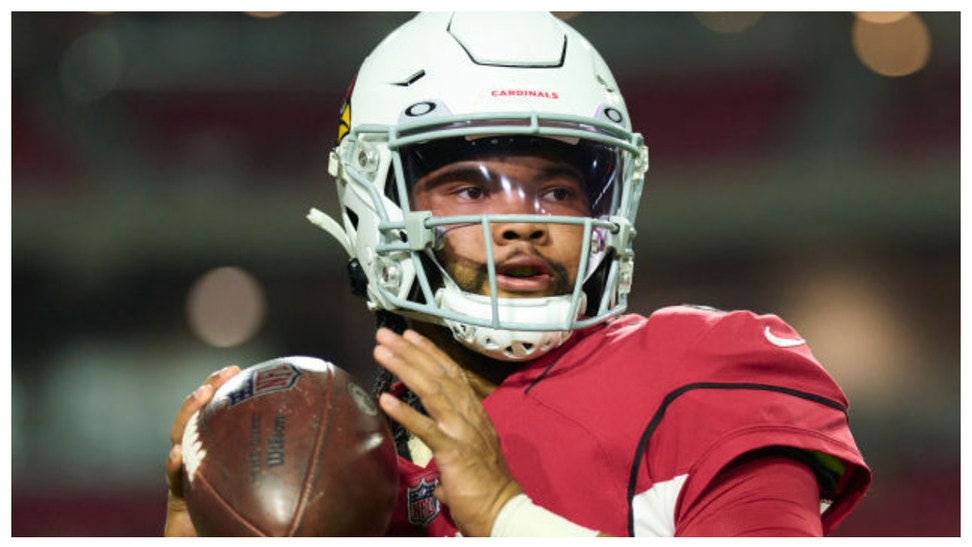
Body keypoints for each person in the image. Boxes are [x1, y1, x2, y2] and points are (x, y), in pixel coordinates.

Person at [164, 12, 871, 537]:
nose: (525, 222)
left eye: (558, 192)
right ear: (376, 204)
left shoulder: (698, 374)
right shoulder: (348, 455)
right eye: (471, 190)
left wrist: (508, 516)